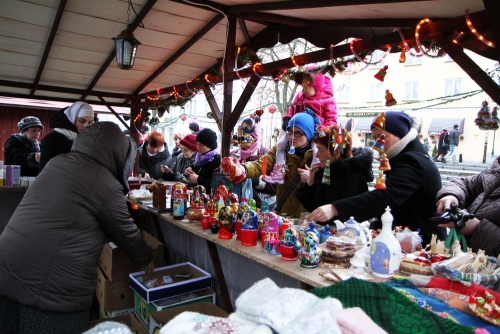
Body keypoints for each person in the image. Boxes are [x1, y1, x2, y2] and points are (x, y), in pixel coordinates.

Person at [0, 122, 154, 334]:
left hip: (6, 269)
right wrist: (148, 261)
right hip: (51, 291)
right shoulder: (105, 183)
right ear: (119, 154)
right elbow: (126, 233)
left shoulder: (58, 162)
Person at [310, 112, 446, 246]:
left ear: (399, 134)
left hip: (423, 242)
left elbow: (386, 196)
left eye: (381, 137)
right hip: (409, 238)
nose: (377, 145)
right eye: (375, 139)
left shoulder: (411, 161)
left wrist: (335, 208)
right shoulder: (406, 158)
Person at [227, 111, 319, 218]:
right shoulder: (280, 149)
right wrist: (243, 168)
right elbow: (260, 164)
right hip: (284, 212)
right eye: (290, 131)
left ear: (309, 134)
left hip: (308, 217)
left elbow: (328, 186)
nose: (292, 137)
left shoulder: (319, 154)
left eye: (298, 133)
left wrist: (312, 179)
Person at [295, 125, 374, 224]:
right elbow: (315, 209)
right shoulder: (327, 173)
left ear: (337, 152)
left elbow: (350, 218)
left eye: (321, 150)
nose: (316, 155)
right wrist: (310, 183)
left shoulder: (355, 179)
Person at [435, 156, 500, 257]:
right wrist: (452, 195)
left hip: (488, 267)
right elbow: (464, 183)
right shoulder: (497, 171)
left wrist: (477, 228)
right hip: (466, 260)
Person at [231, 117, 276, 208]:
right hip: (235, 206)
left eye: (248, 135)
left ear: (255, 137)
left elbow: (277, 184)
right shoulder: (233, 155)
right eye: (241, 134)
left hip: (260, 206)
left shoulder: (267, 154)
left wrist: (256, 179)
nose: (243, 138)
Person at [39, 101, 94, 172]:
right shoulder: (53, 140)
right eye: (82, 121)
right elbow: (45, 172)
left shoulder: (87, 141)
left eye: (90, 122)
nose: (86, 126)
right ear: (72, 119)